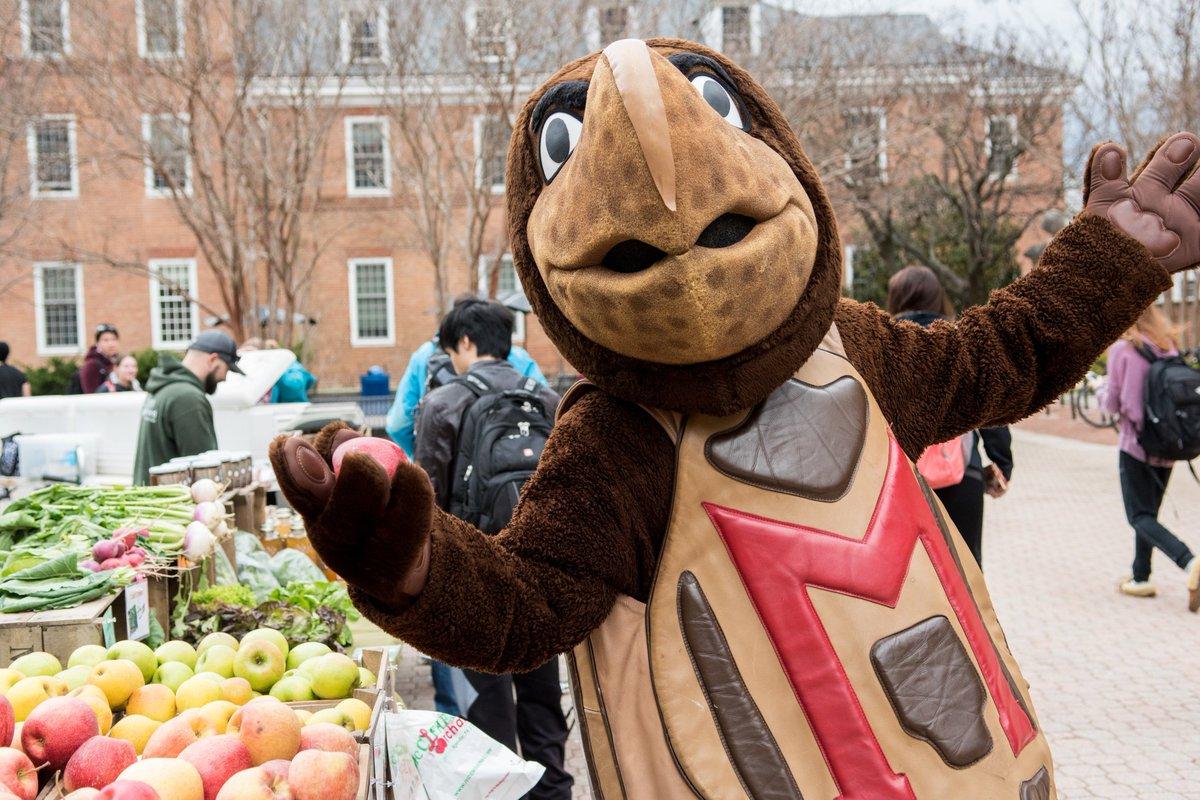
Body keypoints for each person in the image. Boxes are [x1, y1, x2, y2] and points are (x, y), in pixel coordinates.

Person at [413, 298, 570, 800]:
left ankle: (500, 791)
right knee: (543, 694)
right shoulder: (547, 399)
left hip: (472, 576)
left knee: (485, 701)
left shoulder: (442, 403)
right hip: (538, 571)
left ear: (465, 343)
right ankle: (554, 790)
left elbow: (427, 506)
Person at [888, 265, 1013, 567]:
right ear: (938, 299)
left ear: (896, 299)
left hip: (903, 480)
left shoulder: (886, 346)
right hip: (962, 476)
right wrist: (1001, 463)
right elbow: (992, 404)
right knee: (967, 574)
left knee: (911, 575)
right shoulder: (963, 343)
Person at [1103, 305, 1200, 609]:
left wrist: (1099, 393)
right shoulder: (1165, 344)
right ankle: (1140, 577)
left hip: (1136, 445)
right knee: (1149, 514)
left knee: (1139, 516)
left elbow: (1117, 403)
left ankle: (1189, 562)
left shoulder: (1122, 349)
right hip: (1167, 446)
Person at [386, 295, 548, 457]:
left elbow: (398, 424)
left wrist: (421, 453)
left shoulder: (425, 355)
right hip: (520, 457)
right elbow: (545, 407)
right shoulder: (517, 356)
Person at [132, 331, 243, 484]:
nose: (224, 378)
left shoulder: (162, 387)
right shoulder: (188, 398)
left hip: (150, 497)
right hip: (172, 503)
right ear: (213, 359)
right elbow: (204, 472)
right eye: (227, 369)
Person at [74, 323, 120, 394]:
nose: (111, 344)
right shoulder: (92, 365)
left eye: (114, 339)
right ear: (97, 343)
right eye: (106, 340)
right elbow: (92, 396)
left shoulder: (117, 361)